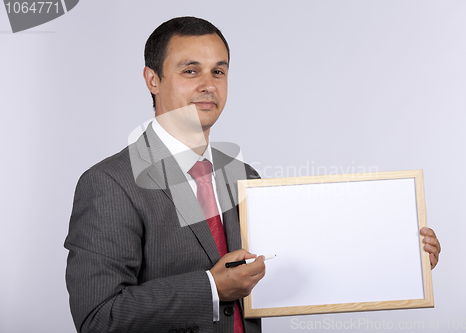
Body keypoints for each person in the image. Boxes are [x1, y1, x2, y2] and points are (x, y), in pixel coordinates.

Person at [64, 16, 441, 333]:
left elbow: (299, 262)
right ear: (152, 80)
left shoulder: (244, 176)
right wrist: (211, 287)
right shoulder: (110, 184)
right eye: (190, 70)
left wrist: (401, 254)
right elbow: (98, 317)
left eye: (219, 71)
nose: (208, 85)